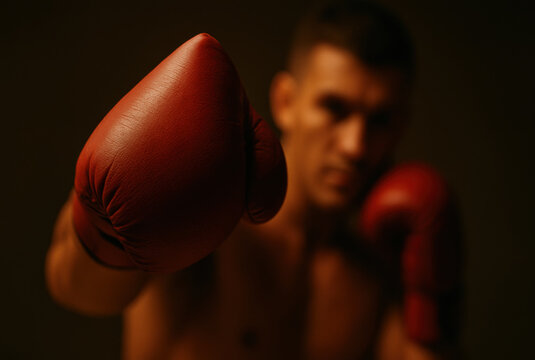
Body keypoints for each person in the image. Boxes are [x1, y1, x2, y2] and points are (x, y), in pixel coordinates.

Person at [46, 1, 461, 359]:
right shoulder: (209, 217)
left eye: (380, 120)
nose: (356, 145)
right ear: (286, 101)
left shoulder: (379, 267)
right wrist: (102, 225)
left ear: (401, 126)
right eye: (335, 108)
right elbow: (74, 291)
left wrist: (434, 297)